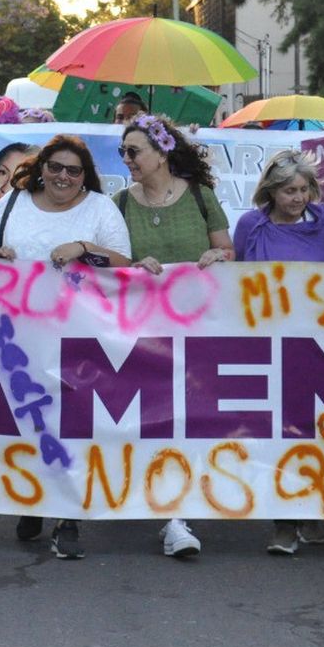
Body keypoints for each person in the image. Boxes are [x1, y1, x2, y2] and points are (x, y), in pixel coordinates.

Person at [0, 135, 131, 559]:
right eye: (56, 167)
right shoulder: (12, 203)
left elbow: (124, 264)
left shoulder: (100, 208)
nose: (63, 176)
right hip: (19, 333)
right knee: (28, 418)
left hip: (80, 336)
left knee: (72, 425)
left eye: (73, 170)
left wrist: (83, 248)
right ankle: (33, 498)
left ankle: (67, 519)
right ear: (41, 167)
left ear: (85, 177)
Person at [112, 112, 233, 558]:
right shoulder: (121, 203)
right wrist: (130, 266)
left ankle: (176, 514)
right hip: (142, 332)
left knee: (186, 419)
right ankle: (167, 508)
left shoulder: (201, 197)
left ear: (162, 151)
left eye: (133, 151)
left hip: (197, 329)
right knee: (154, 419)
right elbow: (112, 262)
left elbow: (227, 249)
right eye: (122, 152)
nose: (126, 159)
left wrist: (216, 255)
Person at [233, 148, 324, 556]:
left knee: (316, 430)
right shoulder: (251, 226)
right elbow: (238, 284)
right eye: (288, 191)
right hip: (268, 344)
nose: (297, 198)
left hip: (318, 345)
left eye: (303, 189)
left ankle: (311, 509)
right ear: (270, 192)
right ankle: (283, 521)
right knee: (277, 434)